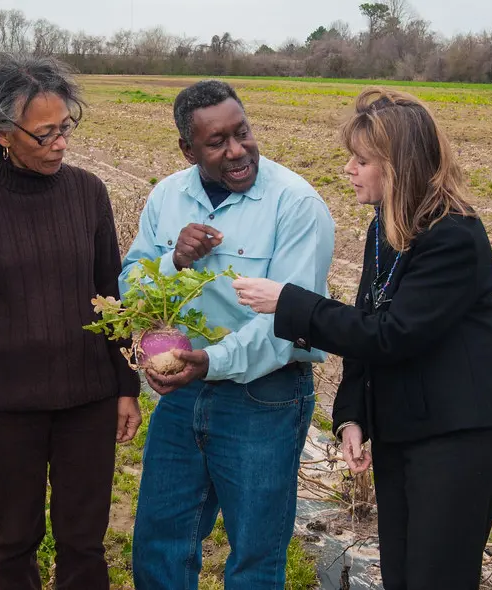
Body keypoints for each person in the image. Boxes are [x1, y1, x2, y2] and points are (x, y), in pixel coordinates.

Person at [232, 88, 492, 590]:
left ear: (398, 166)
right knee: (404, 578)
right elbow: (368, 326)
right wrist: (352, 415)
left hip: (457, 440)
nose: (349, 169)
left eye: (361, 160)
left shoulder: (454, 236)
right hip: (405, 434)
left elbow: (393, 334)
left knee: (438, 579)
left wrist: (291, 301)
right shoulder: (384, 231)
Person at [0, 55, 142, 590]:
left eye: (66, 128)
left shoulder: (88, 193)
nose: (61, 143)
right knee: (14, 540)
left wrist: (126, 386)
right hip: (4, 407)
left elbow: (110, 296)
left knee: (84, 541)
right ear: (3, 134)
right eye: (44, 133)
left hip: (88, 400)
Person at [120, 79, 335, 589]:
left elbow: (290, 323)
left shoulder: (295, 204)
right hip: (180, 392)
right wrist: (174, 260)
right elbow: (129, 285)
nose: (238, 151)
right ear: (188, 149)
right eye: (217, 143)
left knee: (255, 556)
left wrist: (212, 361)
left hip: (265, 397)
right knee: (160, 541)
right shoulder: (168, 196)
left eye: (243, 133)